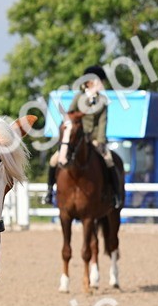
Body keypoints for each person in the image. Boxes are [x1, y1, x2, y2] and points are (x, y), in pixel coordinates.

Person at [43, 65, 123, 208]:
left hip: (94, 139)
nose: (102, 84)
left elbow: (102, 122)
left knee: (109, 160)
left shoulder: (102, 100)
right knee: (54, 159)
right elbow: (70, 116)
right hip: (77, 139)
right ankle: (50, 192)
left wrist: (99, 140)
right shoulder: (78, 97)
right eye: (99, 81)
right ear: (89, 83)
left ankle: (115, 195)